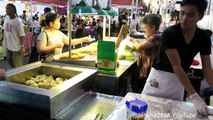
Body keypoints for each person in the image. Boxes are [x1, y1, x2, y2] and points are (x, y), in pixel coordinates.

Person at [142, 0, 213, 117]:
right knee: (149, 114)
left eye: (190, 15)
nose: (184, 18)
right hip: (159, 80)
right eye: (182, 13)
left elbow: (207, 69)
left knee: (172, 115)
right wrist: (194, 96)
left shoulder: (203, 37)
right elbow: (177, 66)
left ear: (200, 16)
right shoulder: (170, 33)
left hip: (179, 82)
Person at [131, 14, 162, 93]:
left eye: (145, 27)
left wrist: (134, 41)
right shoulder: (154, 36)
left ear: (153, 27)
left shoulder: (155, 37)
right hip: (148, 66)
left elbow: (139, 47)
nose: (144, 29)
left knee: (147, 87)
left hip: (151, 67)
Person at [3, 4, 25, 68]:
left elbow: (22, 35)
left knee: (17, 65)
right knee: (9, 59)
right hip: (8, 45)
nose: (6, 11)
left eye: (8, 9)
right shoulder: (6, 18)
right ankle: (16, 72)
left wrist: (22, 46)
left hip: (16, 47)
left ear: (13, 11)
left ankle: (18, 75)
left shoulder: (18, 22)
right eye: (6, 9)